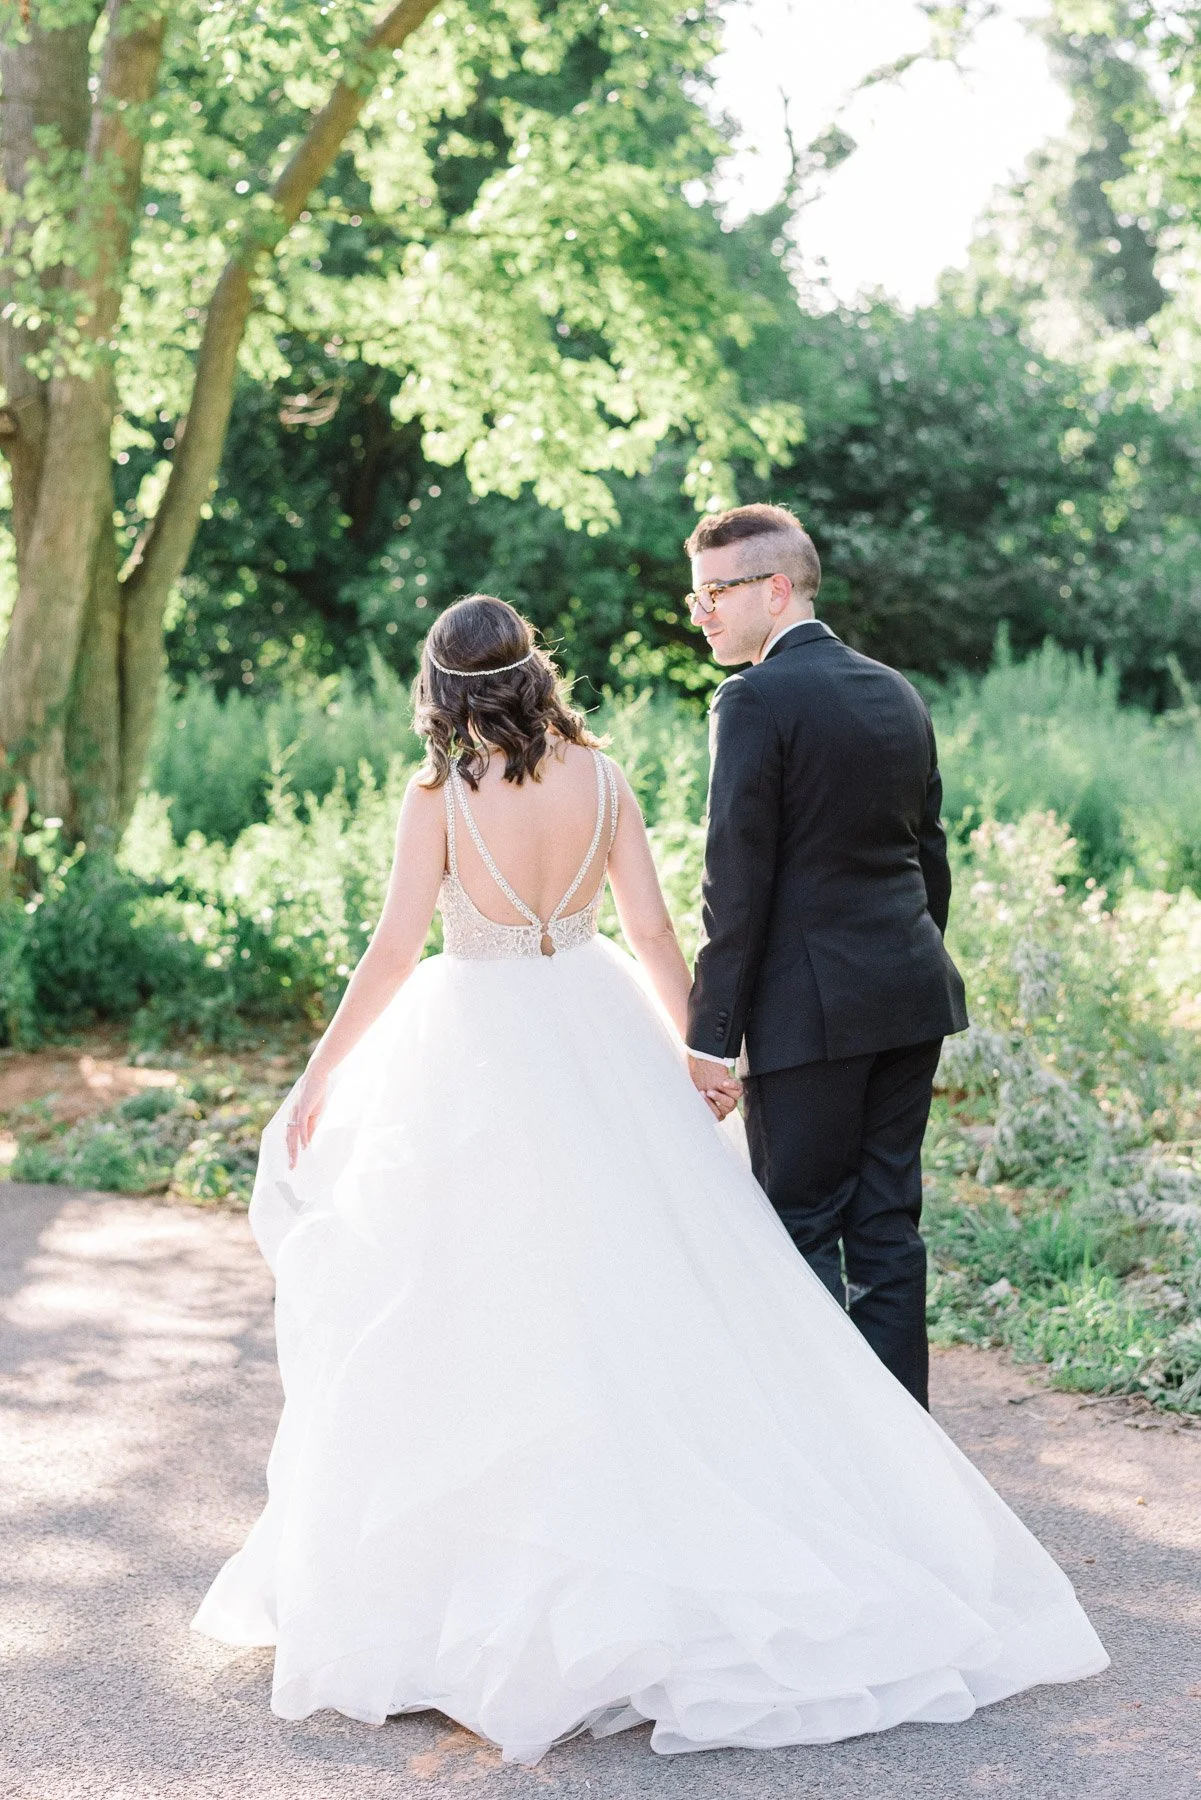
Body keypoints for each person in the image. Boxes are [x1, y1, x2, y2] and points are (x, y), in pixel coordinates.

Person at [193, 593, 1106, 1765]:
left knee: (468, 1298)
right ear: (534, 675)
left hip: (472, 1041)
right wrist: (695, 1051)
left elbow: (392, 944)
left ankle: (487, 1574)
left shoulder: (438, 795)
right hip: (596, 1022)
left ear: (443, 690)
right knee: (639, 1279)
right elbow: (661, 933)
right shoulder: (605, 778)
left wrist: (324, 1073)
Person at [683, 504, 969, 1408]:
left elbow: (736, 878)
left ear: (776, 589)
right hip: (910, 997)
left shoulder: (755, 699)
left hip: (809, 1016)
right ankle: (904, 1457)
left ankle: (825, 1465)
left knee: (795, 1232)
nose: (702, 614)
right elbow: (929, 857)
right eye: (695, 597)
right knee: (887, 1228)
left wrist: (709, 1036)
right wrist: (905, 956)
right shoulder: (896, 690)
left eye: (717, 592)